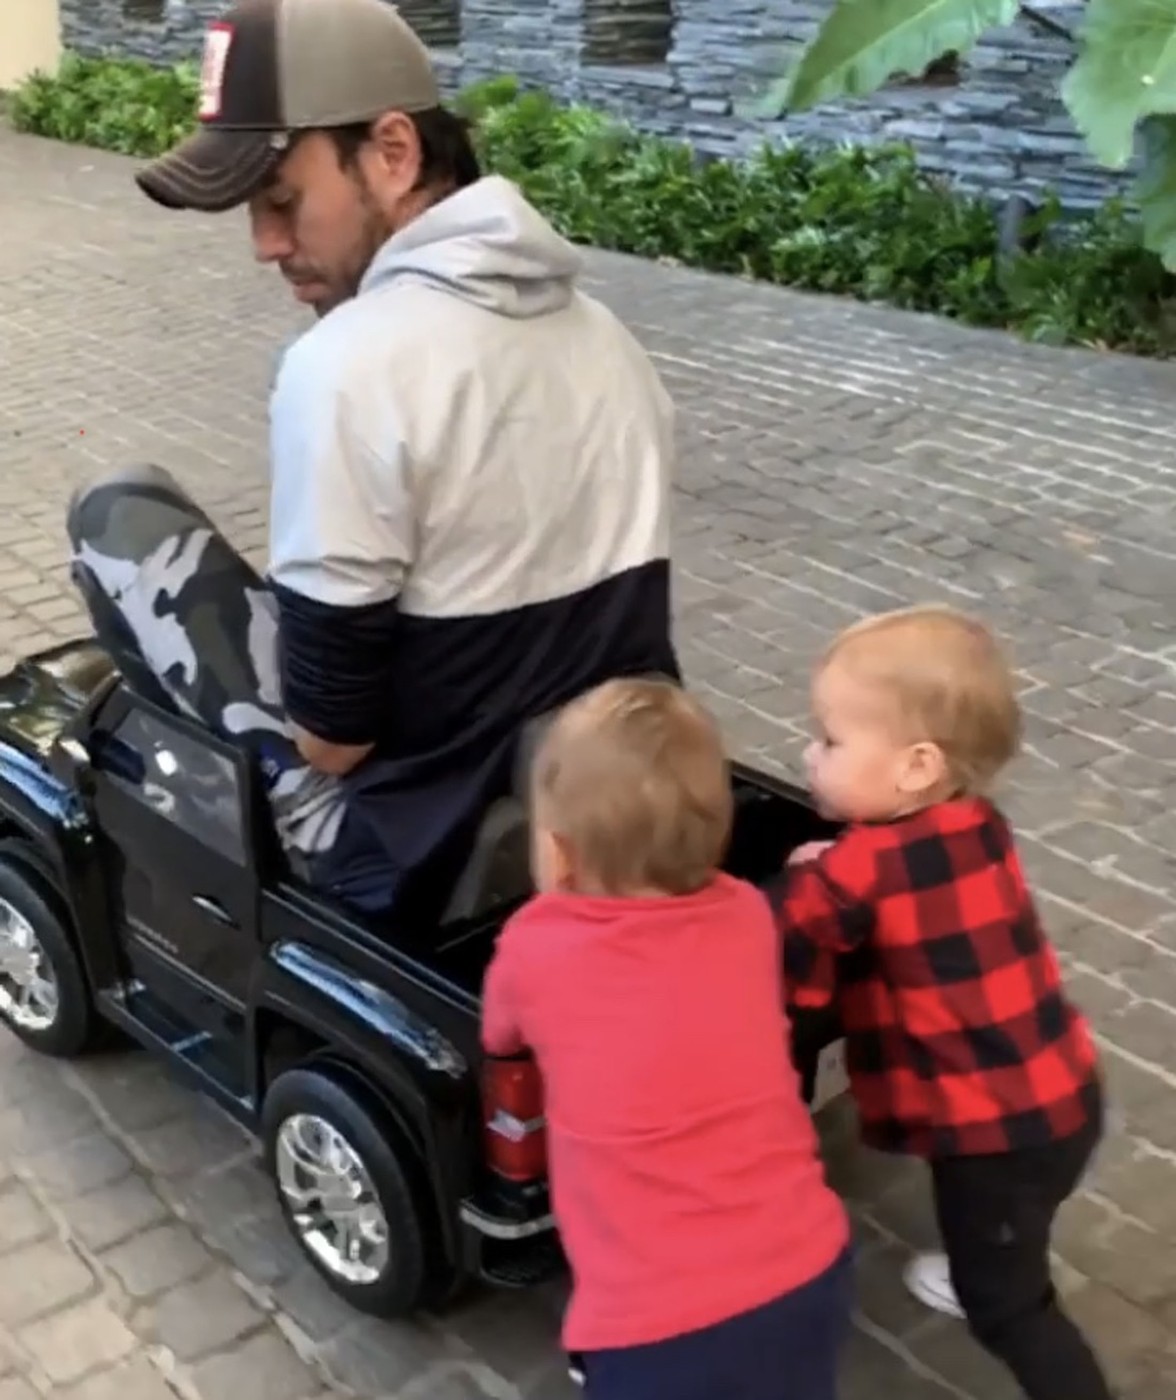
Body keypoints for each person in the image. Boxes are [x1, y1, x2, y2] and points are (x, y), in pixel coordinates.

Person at [67, 0, 678, 919]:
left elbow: (333, 740)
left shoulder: (348, 365)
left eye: (282, 201)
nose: (266, 245)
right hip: (599, 797)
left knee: (118, 510)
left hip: (405, 847)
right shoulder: (605, 336)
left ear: (392, 151)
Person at [481, 677, 852, 1400]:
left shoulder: (532, 945)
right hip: (807, 1269)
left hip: (654, 1325)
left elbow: (500, 1034)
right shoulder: (746, 913)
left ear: (557, 853)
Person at [775, 605, 1110, 1400]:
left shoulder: (853, 875)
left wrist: (803, 881)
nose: (809, 754)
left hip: (997, 1141)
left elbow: (794, 969)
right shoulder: (978, 822)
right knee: (1010, 1233)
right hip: (1065, 1094)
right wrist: (837, 864)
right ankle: (989, 1259)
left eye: (829, 741)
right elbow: (901, 880)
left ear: (916, 767)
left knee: (1013, 1311)